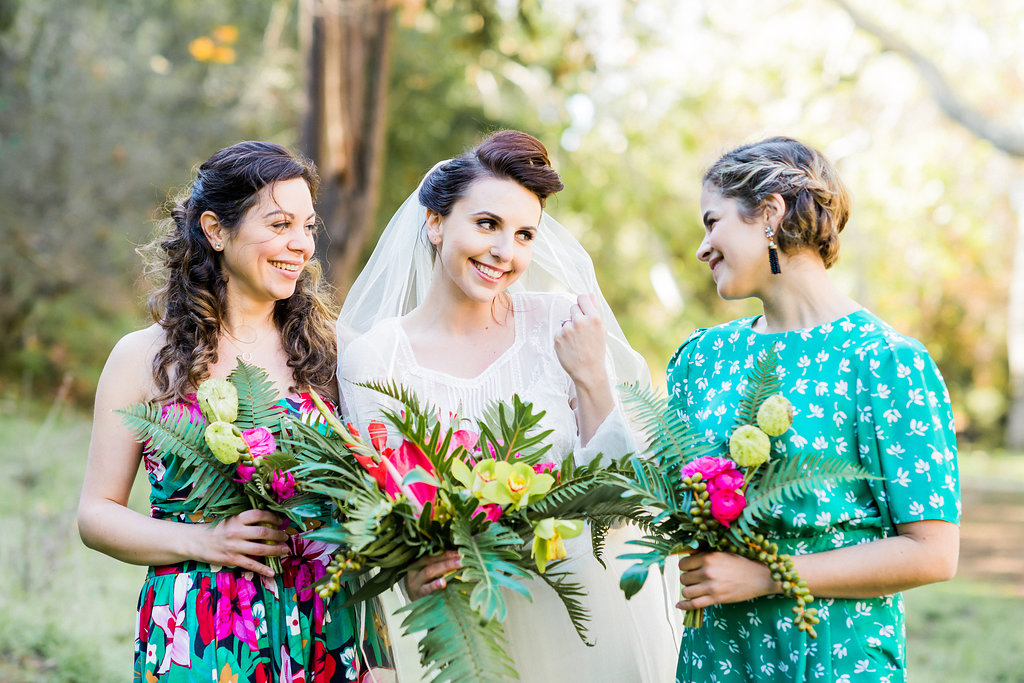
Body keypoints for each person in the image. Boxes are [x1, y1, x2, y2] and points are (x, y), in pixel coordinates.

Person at [337, 130, 679, 682]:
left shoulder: (561, 323)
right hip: (473, 629)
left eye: (525, 235)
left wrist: (590, 374)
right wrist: (409, 572)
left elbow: (627, 493)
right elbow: (379, 511)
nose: (505, 252)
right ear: (435, 222)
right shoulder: (375, 359)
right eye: (487, 224)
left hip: (591, 612)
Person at [78, 141, 392, 682]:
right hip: (203, 632)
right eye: (279, 224)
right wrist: (205, 541)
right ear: (215, 230)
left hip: (328, 617)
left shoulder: (337, 352)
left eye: (309, 227)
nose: (300, 245)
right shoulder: (141, 357)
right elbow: (96, 514)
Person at [668, 136, 960, 682]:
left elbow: (932, 552)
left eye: (712, 222)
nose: (703, 246)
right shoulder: (702, 358)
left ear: (769, 214)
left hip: (830, 657)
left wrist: (766, 576)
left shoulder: (885, 362)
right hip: (717, 658)